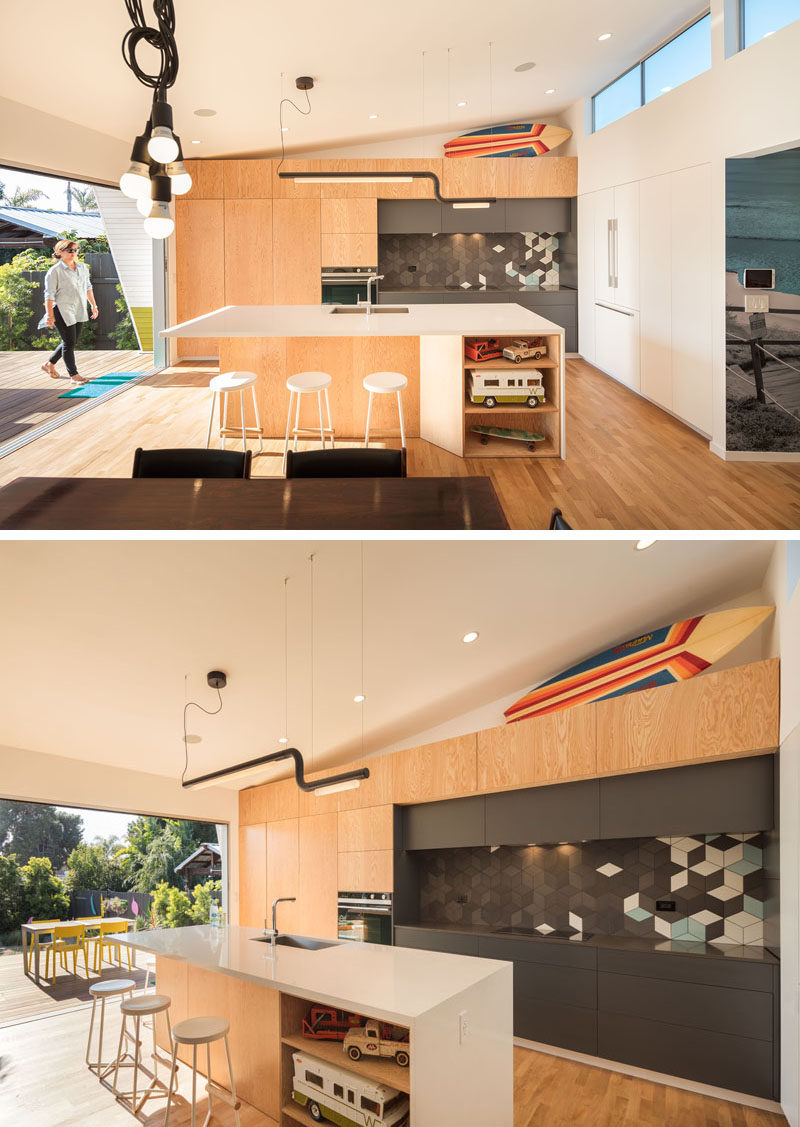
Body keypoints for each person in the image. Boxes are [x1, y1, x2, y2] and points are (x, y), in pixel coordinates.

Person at [39, 240, 99, 384]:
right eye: (69, 250)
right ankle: (74, 375)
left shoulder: (82, 267)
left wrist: (94, 305)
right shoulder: (55, 271)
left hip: (78, 308)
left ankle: (49, 364)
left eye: (75, 250)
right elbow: (49, 295)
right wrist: (50, 316)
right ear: (60, 252)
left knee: (71, 341)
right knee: (69, 342)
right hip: (61, 310)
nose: (73, 253)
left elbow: (88, 287)